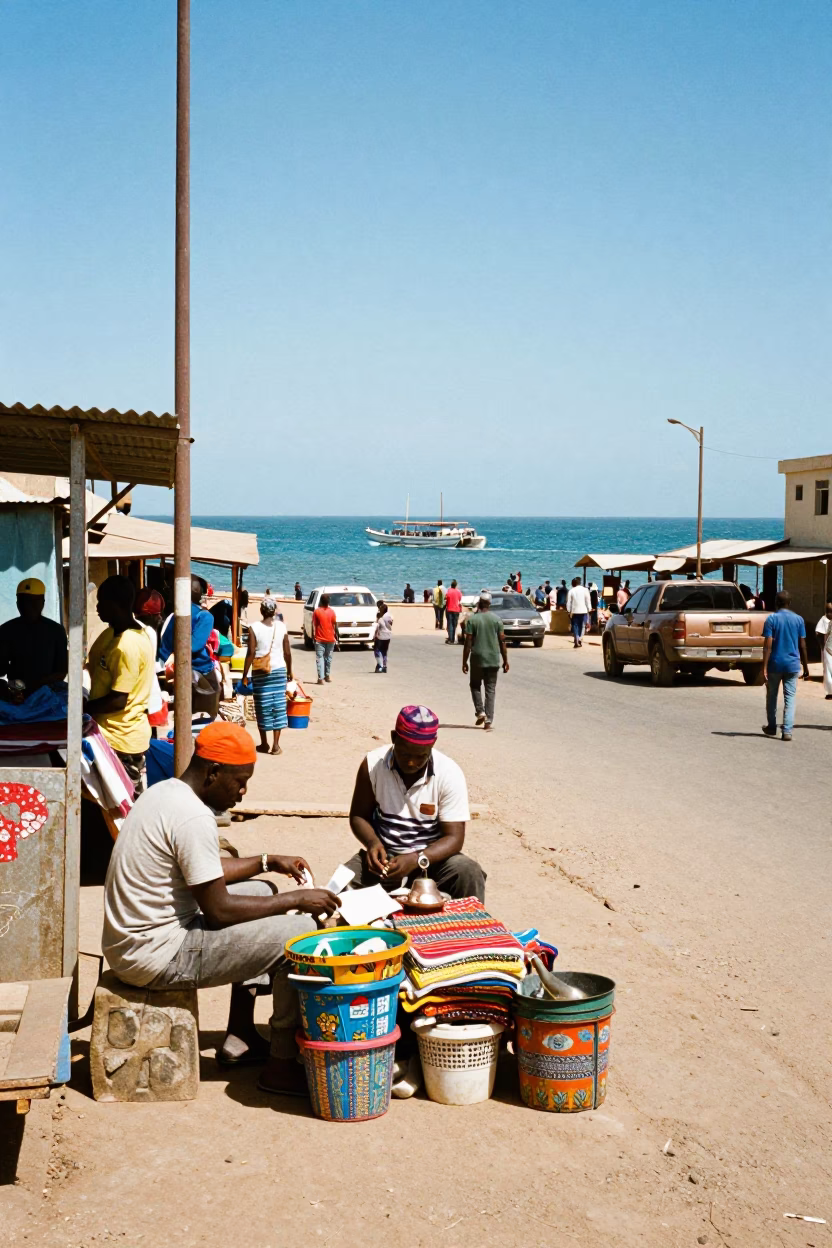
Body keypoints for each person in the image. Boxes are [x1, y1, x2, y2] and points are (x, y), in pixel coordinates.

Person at [101, 721, 339, 1094]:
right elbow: (220, 912)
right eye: (240, 781)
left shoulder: (166, 792)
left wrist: (266, 861)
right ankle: (280, 1066)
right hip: (155, 955)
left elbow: (204, 872)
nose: (242, 792)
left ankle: (240, 1038)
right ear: (214, 772)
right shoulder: (193, 817)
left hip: (132, 943)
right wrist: (294, 900)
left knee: (261, 889)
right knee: (299, 935)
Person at [345, 705, 485, 901]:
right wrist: (373, 843)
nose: (411, 763)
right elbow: (359, 815)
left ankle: (471, 929)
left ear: (433, 744)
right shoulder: (372, 764)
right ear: (394, 738)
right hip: (386, 860)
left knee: (467, 871)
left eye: (421, 756)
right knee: (340, 888)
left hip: (431, 860)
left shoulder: (449, 773)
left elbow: (454, 838)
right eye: (404, 754)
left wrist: (417, 859)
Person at [86, 576, 154, 795]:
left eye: (101, 602)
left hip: (122, 739)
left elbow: (118, 699)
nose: (97, 607)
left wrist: (82, 709)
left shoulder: (128, 645)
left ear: (116, 605)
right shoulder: (110, 635)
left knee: (123, 805)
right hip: (105, 733)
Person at [0, 577, 68, 702]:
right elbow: (1, 668)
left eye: (33, 602)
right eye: (23, 602)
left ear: (42, 602)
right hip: (16, 693)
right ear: (17, 603)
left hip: (49, 692)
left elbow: (62, 671)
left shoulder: (56, 631)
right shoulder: (6, 630)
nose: (27, 607)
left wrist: (33, 685)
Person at [241, 596, 292, 755]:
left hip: (260, 671)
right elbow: (287, 652)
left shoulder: (254, 627)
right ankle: (276, 745)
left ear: (262, 611)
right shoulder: (282, 627)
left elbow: (250, 652)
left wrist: (244, 674)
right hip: (279, 671)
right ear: (274, 611)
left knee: (262, 707)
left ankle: (264, 743)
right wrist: (290, 670)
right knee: (278, 707)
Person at [762, 590, 809, 742]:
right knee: (790, 697)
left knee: (772, 696)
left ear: (776, 602)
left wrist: (764, 666)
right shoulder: (799, 620)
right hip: (792, 665)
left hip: (775, 664)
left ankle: (771, 726)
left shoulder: (771, 619)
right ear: (790, 603)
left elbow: (768, 645)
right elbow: (802, 645)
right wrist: (806, 667)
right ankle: (787, 731)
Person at [159, 575, 217, 691]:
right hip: (194, 669)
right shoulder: (205, 616)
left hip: (164, 665)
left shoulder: (172, 615)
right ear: (198, 592)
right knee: (215, 689)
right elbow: (194, 646)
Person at [462, 590, 509, 730]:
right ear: (490, 604)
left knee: (475, 686)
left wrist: (464, 661)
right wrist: (505, 660)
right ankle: (488, 720)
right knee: (490, 689)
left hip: (477, 658)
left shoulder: (472, 620)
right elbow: (502, 642)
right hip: (493, 659)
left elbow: (468, 643)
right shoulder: (497, 620)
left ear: (478, 603)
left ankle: (480, 711)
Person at [133, 588, 167, 728]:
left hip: (141, 699)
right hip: (147, 699)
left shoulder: (142, 630)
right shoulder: (149, 632)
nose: (160, 618)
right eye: (158, 615)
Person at [313, 592, 339, 684]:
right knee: (328, 658)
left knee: (320, 658)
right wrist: (337, 637)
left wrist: (313, 637)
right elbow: (335, 625)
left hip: (319, 638)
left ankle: (321, 678)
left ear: (320, 601)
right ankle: (327, 676)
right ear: (328, 602)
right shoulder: (332, 612)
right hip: (330, 638)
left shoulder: (317, 611)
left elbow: (314, 625)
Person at [566, 578, 593, 648]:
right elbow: (588, 601)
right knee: (582, 625)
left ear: (573, 583)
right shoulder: (585, 590)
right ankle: (580, 638)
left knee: (575, 625)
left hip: (574, 611)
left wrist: (568, 611)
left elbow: (569, 602)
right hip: (583, 611)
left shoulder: (571, 591)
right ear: (579, 583)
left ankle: (577, 638)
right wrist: (589, 609)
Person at [816, 602, 832, 699]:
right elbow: (818, 633)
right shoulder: (824, 620)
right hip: (828, 649)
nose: (830, 614)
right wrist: (822, 645)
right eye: (828, 612)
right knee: (828, 670)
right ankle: (830, 692)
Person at [373, 599, 393, 673]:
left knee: (377, 651)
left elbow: (378, 628)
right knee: (384, 652)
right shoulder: (389, 616)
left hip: (381, 636)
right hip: (388, 635)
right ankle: (385, 666)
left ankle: (380, 665)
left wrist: (375, 636)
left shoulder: (381, 618)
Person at [444, 579, 462, 645]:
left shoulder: (449, 591)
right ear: (456, 586)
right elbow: (460, 599)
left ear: (451, 585)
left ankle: (451, 639)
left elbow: (445, 598)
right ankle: (453, 638)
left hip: (449, 609)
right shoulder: (458, 592)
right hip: (456, 610)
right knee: (454, 625)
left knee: (450, 624)